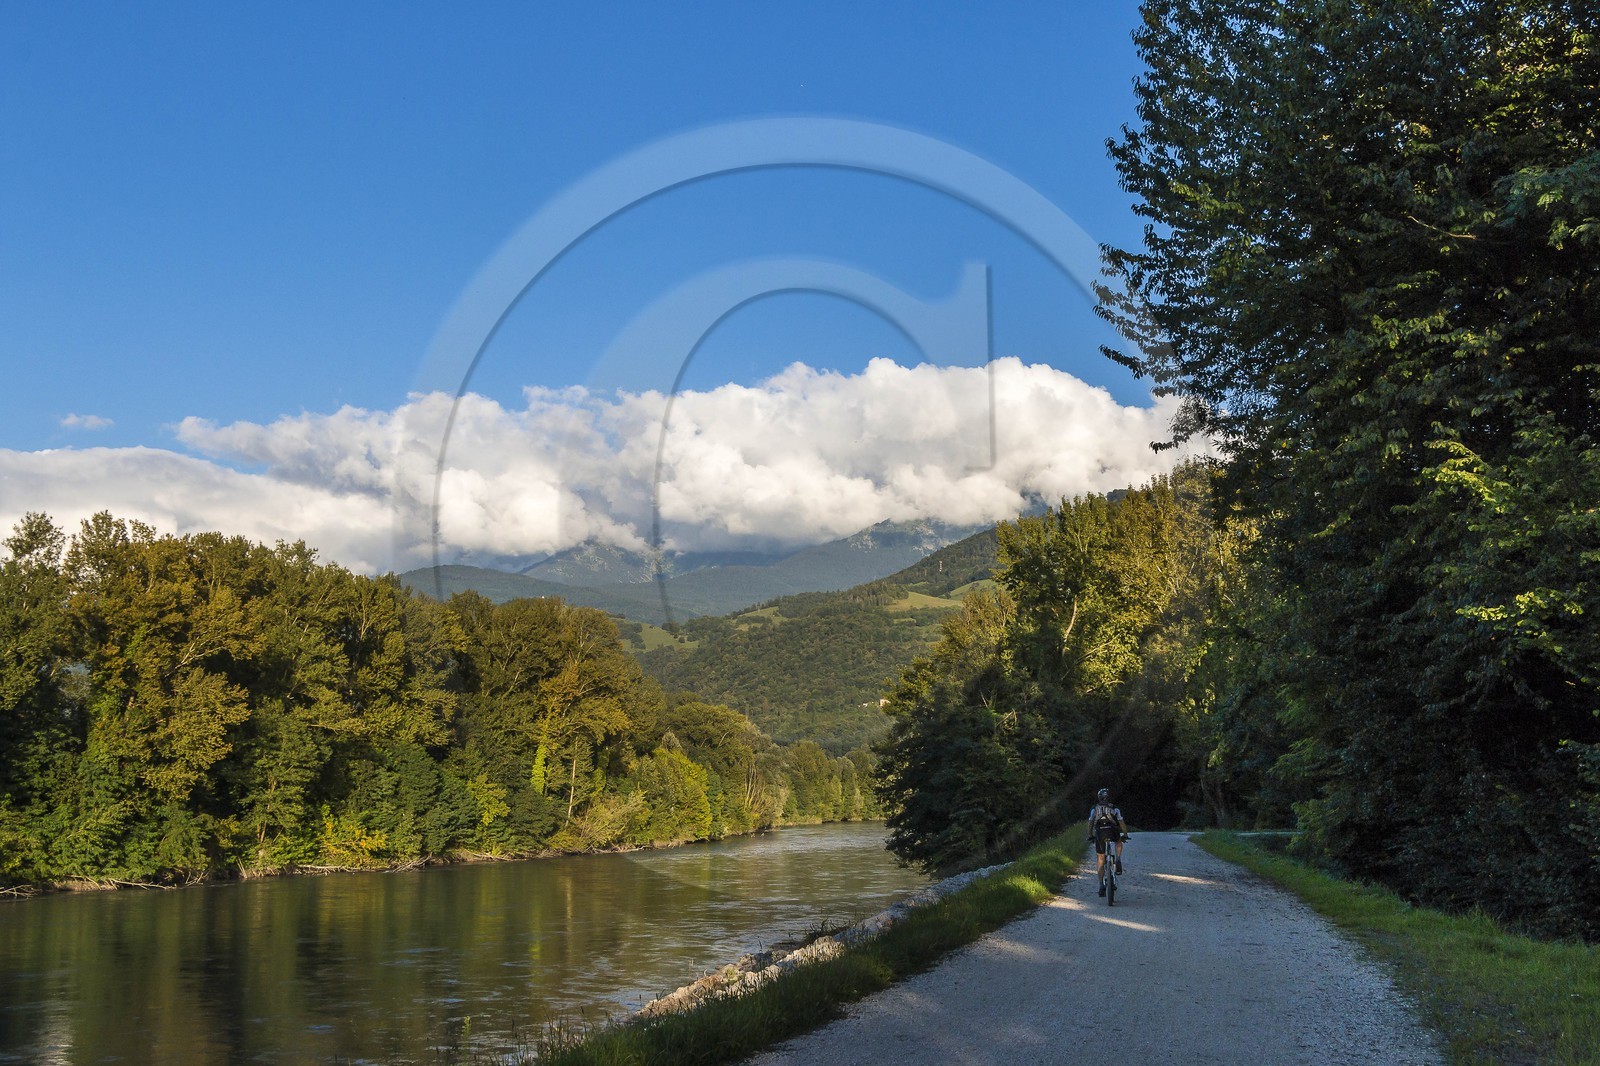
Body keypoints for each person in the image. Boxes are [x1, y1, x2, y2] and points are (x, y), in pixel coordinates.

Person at [1088, 787, 1128, 896]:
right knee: (1119, 841)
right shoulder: (1114, 808)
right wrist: (1125, 835)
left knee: (1101, 858)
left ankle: (1101, 884)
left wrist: (1090, 835)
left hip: (1100, 833)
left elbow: (1091, 823)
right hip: (1112, 831)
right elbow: (1121, 823)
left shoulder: (1094, 809)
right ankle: (1118, 859)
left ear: (1099, 797)